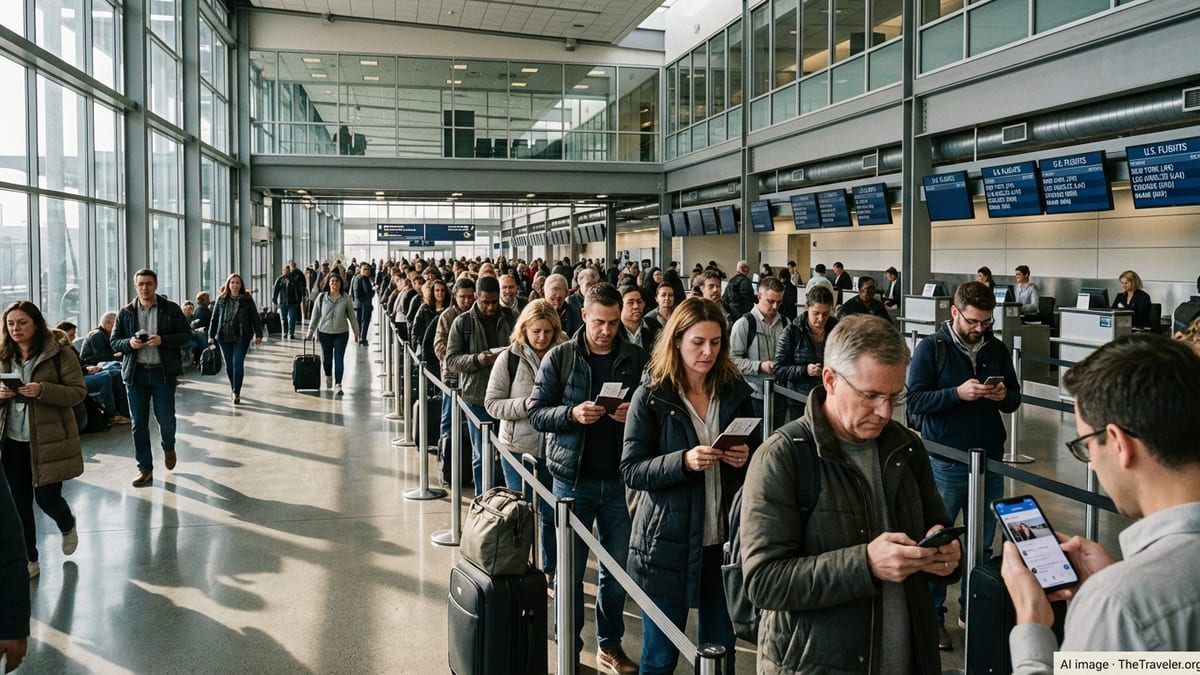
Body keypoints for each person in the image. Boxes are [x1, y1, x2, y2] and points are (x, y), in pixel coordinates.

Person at [740, 314, 960, 674]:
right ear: (830, 379)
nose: (885, 412)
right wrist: (867, 564)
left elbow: (936, 525)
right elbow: (764, 582)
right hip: (815, 664)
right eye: (870, 396)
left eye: (894, 396)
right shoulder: (783, 456)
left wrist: (945, 556)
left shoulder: (906, 447)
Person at [1001, 334, 1200, 671]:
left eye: (1086, 445)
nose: (1091, 461)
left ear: (1119, 443)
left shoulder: (1118, 605)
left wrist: (1032, 622)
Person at [621, 297, 759, 674]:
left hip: (723, 543)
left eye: (715, 343)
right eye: (698, 342)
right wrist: (682, 461)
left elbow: (757, 452)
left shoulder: (735, 392)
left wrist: (744, 460)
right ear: (677, 340)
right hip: (667, 544)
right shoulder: (651, 396)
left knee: (720, 651)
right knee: (660, 656)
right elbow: (632, 469)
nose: (708, 352)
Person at [528, 282, 649, 674]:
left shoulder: (634, 357)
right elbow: (536, 412)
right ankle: (568, 648)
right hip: (570, 480)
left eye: (614, 323)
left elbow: (653, 411)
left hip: (618, 481)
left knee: (616, 572)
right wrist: (571, 414)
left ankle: (609, 645)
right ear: (584, 316)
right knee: (569, 573)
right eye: (599, 322)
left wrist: (632, 412)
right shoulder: (561, 358)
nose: (607, 331)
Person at [906, 280, 1021, 649]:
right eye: (973, 321)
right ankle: (933, 615)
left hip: (990, 462)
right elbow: (915, 401)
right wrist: (957, 394)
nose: (979, 329)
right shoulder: (931, 349)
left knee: (983, 545)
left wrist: (1003, 395)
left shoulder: (997, 349)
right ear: (954, 312)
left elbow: (1015, 399)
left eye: (986, 322)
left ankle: (973, 610)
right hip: (946, 461)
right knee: (938, 543)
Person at [0, 301, 88, 579]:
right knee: (19, 504)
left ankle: (66, 522)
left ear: (36, 323)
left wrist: (42, 390)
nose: (16, 328)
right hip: (13, 441)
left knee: (47, 499)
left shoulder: (58, 352)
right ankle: (30, 560)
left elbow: (77, 392)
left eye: (22, 322)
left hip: (48, 440)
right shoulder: (3, 354)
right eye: (11, 323)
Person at [483, 300, 563, 584]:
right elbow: (492, 403)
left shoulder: (565, 356)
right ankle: (524, 565)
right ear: (524, 330)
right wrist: (526, 405)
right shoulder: (509, 358)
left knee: (551, 512)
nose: (542, 337)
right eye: (536, 331)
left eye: (548, 331)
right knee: (523, 512)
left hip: (555, 449)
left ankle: (552, 569)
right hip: (517, 449)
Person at [111, 268, 192, 488]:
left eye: (148, 283)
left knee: (165, 419)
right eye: (140, 284)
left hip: (162, 373)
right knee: (138, 424)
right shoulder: (126, 312)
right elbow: (114, 341)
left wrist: (163, 340)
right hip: (135, 375)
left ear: (155, 285)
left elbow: (186, 335)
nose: (144, 288)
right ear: (135, 287)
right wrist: (129, 344)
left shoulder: (170, 309)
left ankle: (168, 446)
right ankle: (144, 469)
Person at [445, 276, 515, 495]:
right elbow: (451, 360)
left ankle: (507, 501)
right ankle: (482, 500)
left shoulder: (511, 318)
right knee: (481, 454)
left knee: (509, 452)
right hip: (476, 397)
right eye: (486, 302)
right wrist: (477, 360)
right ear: (477, 297)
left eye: (494, 302)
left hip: (507, 396)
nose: (490, 307)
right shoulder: (462, 323)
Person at [730, 276, 788, 424]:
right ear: (759, 296)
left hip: (780, 395)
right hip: (753, 396)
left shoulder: (786, 323)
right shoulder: (744, 324)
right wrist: (759, 366)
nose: (775, 307)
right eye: (770, 301)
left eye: (779, 302)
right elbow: (732, 361)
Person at [774, 286, 838, 416]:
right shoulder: (792, 331)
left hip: (831, 397)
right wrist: (805, 370)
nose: (820, 319)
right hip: (799, 399)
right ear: (806, 307)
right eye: (816, 313)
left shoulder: (837, 329)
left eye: (825, 314)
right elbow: (779, 369)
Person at [54, 325, 130, 425]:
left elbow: (80, 362)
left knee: (114, 371)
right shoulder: (61, 352)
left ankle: (123, 409)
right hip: (77, 378)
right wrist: (86, 369)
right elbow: (69, 370)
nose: (73, 336)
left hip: (84, 372)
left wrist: (89, 367)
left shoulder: (69, 348)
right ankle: (111, 414)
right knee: (106, 376)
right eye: (71, 334)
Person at [208, 273, 265, 404]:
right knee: (229, 365)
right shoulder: (221, 299)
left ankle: (236, 391)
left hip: (242, 336)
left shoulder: (247, 299)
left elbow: (255, 317)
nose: (234, 285)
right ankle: (233, 386)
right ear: (228, 284)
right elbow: (214, 318)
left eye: (237, 283)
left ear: (241, 285)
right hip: (224, 336)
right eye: (232, 282)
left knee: (237, 363)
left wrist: (259, 334)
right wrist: (211, 336)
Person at [304, 273, 359, 395]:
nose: (334, 284)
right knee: (327, 360)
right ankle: (328, 375)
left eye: (337, 281)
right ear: (328, 283)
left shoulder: (346, 298)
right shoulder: (321, 297)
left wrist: (356, 332)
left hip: (341, 333)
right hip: (324, 333)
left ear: (341, 284)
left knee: (339, 359)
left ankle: (338, 384)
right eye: (332, 281)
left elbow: (352, 317)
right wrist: (310, 332)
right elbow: (315, 316)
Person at [617, 284, 660, 351]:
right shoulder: (614, 331)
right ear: (619, 306)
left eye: (639, 302)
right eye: (630, 303)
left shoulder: (653, 328)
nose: (636, 306)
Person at [349, 263, 376, 346]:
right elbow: (368, 292)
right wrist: (373, 291)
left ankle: (358, 336)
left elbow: (352, 291)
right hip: (365, 303)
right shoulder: (364, 278)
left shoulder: (355, 277)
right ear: (360, 270)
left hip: (357, 303)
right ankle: (363, 338)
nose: (367, 271)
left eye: (368, 269)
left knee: (359, 321)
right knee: (365, 321)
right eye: (364, 269)